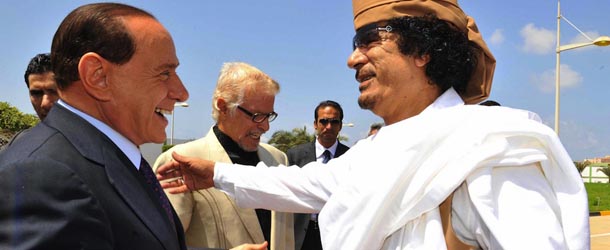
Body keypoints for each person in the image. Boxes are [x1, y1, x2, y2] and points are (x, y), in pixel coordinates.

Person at [157, 0, 590, 249]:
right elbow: (303, 185)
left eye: (368, 41)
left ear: (422, 50)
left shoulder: (489, 152)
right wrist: (214, 173)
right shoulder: (376, 152)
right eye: (354, 44)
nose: (352, 58)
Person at [0, 3, 265, 250]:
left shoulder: (110, 156)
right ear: (98, 76)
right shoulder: (46, 175)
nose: (181, 92)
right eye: (164, 73)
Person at [153, 62, 293, 250]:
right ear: (223, 107)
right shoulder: (180, 161)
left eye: (269, 116)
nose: (265, 126)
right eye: (257, 115)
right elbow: (158, 244)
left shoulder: (278, 159)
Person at [286, 100, 350, 250]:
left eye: (334, 122)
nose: (329, 127)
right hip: (302, 235)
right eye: (324, 121)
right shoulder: (295, 155)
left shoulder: (351, 156)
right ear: (315, 124)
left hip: (337, 235)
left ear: (340, 125)